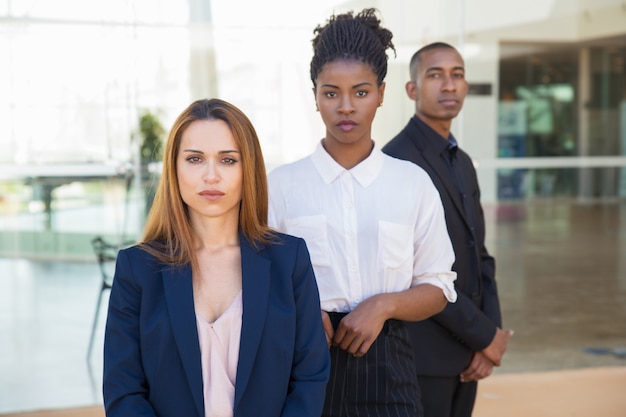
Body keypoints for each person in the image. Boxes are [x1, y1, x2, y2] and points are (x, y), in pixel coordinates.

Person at [268, 9, 457, 417]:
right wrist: (301, 310)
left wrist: (384, 306)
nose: (346, 107)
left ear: (382, 93)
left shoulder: (413, 183)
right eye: (331, 92)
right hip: (300, 365)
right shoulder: (280, 186)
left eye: (361, 91)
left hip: (390, 368)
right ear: (314, 95)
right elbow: (257, 277)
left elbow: (439, 285)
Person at [103, 98, 330, 417]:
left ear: (247, 168)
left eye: (228, 160)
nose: (211, 176)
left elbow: (309, 378)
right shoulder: (137, 268)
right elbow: (123, 391)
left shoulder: (289, 260)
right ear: (174, 168)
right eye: (195, 159)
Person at [382, 42, 513, 417]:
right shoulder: (397, 164)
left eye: (457, 75)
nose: (449, 85)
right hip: (422, 357)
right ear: (412, 89)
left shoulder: (463, 161)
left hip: (469, 354)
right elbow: (412, 271)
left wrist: (490, 336)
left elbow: (480, 255)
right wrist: (484, 336)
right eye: (435, 75)